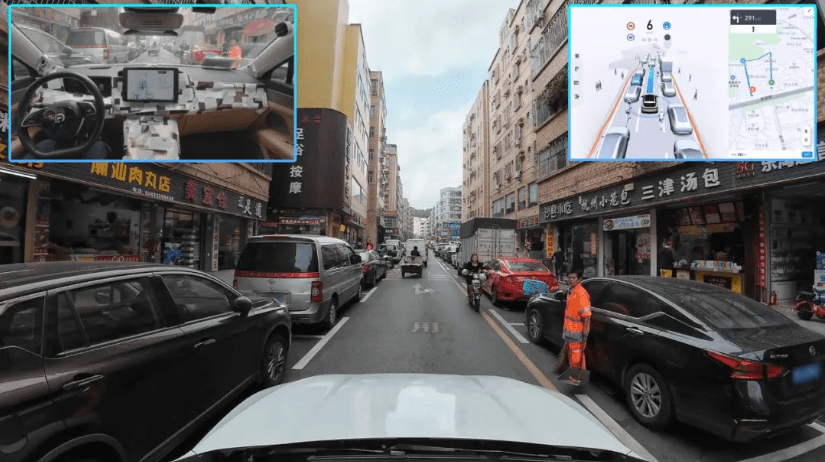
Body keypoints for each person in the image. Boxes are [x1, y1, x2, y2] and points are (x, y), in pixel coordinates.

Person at [561, 269, 591, 386]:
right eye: (570, 277)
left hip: (576, 329)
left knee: (576, 355)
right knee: (575, 354)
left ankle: (576, 377)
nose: (571, 280)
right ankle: (579, 377)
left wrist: (586, 331)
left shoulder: (581, 293)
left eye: (574, 278)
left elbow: (587, 316)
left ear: (579, 279)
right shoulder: (572, 291)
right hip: (569, 329)